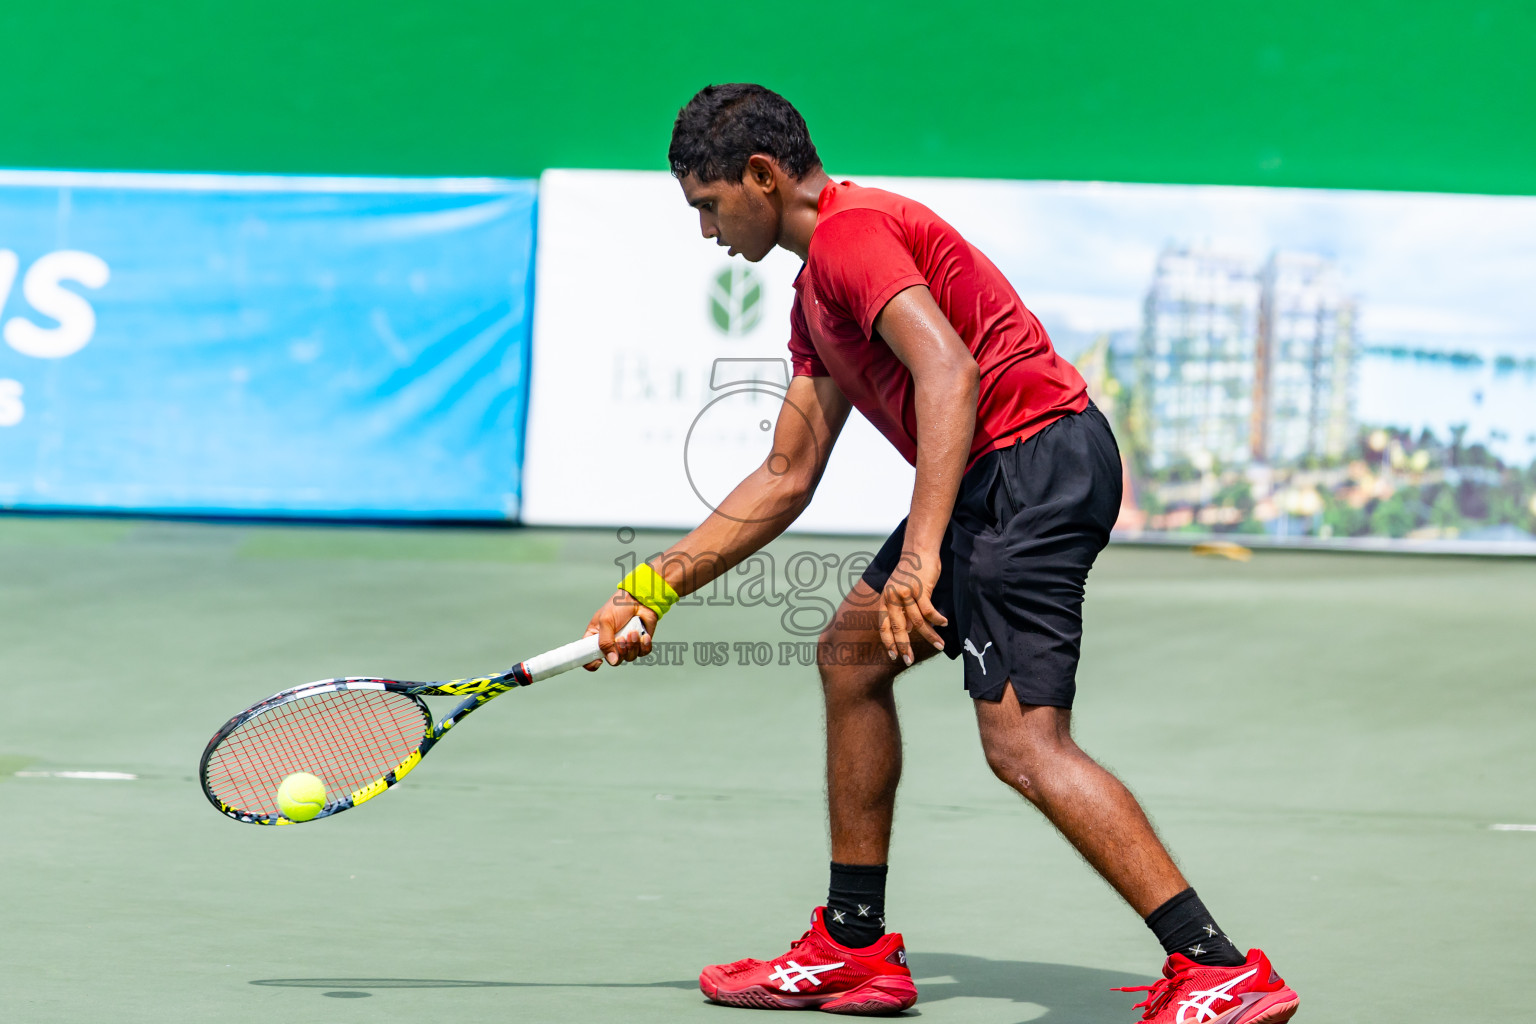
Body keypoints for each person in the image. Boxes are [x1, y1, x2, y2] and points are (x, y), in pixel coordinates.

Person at [582, 83, 1299, 1023]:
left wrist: (920, 560)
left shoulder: (851, 234)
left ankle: (1217, 967)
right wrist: (649, 590)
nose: (707, 231)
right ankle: (853, 947)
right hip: (1003, 474)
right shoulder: (815, 298)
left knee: (1024, 746)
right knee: (852, 656)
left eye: (709, 205)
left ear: (762, 176)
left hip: (1031, 464)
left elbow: (948, 371)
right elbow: (786, 474)